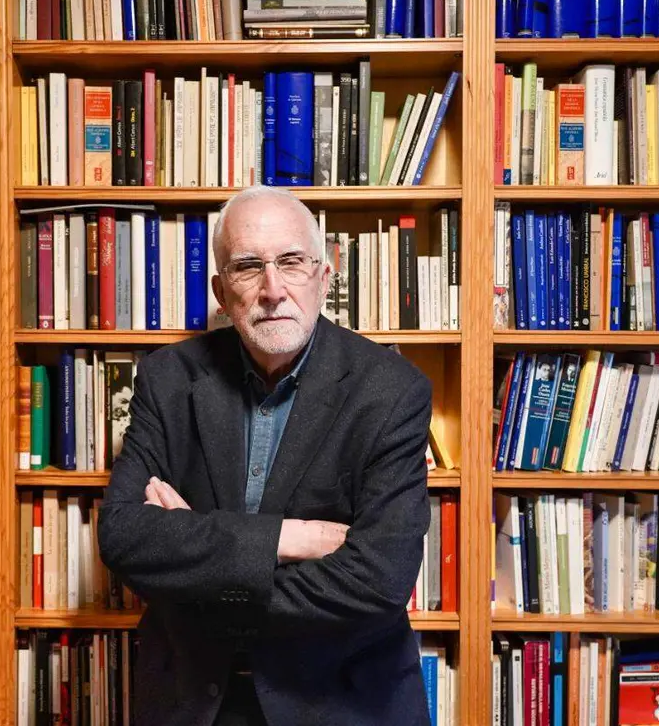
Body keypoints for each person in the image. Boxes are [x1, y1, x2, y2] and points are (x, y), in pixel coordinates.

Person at [97, 185, 435, 726]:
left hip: (339, 704)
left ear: (325, 276)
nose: (273, 289)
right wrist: (288, 539)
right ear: (222, 290)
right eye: (248, 267)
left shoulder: (392, 391)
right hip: (192, 702)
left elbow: (380, 580)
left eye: (292, 262)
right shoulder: (165, 379)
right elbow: (123, 537)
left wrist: (198, 565)